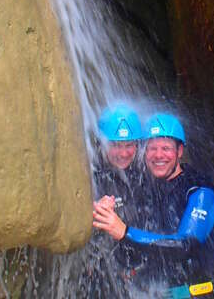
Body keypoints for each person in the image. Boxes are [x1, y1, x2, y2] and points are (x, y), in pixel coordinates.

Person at [93, 112, 214, 296]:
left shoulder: (199, 192)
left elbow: (185, 246)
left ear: (180, 151)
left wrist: (125, 232)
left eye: (166, 148)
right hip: (149, 292)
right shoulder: (144, 187)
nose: (158, 155)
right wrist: (102, 209)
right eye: (152, 148)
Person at [82, 104, 147, 298]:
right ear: (102, 143)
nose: (123, 153)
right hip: (103, 275)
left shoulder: (145, 172)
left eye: (129, 145)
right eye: (115, 145)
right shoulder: (90, 175)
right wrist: (92, 212)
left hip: (140, 270)